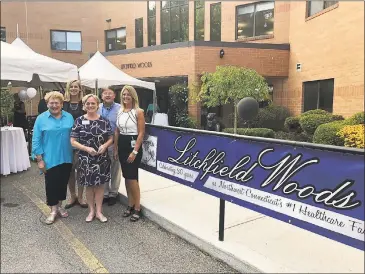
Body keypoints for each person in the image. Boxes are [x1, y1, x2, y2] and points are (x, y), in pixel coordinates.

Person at [32, 91, 74, 225]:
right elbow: (36, 139)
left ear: (62, 104)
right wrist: (39, 159)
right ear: (47, 104)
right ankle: (53, 210)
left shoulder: (69, 117)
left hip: (67, 156)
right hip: (50, 158)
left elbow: (74, 135)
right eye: (52, 102)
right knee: (51, 185)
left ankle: (60, 206)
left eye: (57, 103)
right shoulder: (41, 118)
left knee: (62, 183)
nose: (54, 105)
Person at [70, 94, 113, 223]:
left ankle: (99, 211)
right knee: (89, 186)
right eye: (87, 103)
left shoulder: (104, 121)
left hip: (101, 159)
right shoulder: (79, 120)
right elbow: (73, 141)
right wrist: (86, 148)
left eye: (93, 103)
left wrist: (105, 146)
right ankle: (91, 211)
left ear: (97, 105)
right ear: (84, 105)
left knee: (100, 186)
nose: (90, 106)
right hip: (85, 159)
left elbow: (111, 138)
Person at [114, 85, 145, 222]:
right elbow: (117, 131)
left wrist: (135, 151)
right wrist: (115, 147)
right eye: (124, 94)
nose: (126, 97)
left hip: (133, 146)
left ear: (133, 96)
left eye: (128, 95)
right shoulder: (120, 111)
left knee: (132, 178)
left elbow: (141, 133)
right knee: (126, 177)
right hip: (122, 144)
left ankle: (138, 207)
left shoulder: (138, 111)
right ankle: (130, 204)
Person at [63, 80, 87, 209]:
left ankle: (81, 196)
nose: (73, 89)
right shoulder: (64, 103)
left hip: (82, 141)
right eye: (71, 87)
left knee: (81, 170)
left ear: (79, 89)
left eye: (76, 87)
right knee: (70, 171)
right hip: (66, 142)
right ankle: (72, 196)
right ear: (68, 88)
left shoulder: (84, 103)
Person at [97, 88, 122, 206]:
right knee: (103, 168)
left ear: (114, 95)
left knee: (115, 168)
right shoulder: (97, 107)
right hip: (101, 143)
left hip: (115, 142)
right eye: (105, 93)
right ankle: (105, 193)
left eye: (110, 93)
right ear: (102, 96)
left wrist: (116, 147)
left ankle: (114, 193)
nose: (107, 95)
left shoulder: (120, 108)